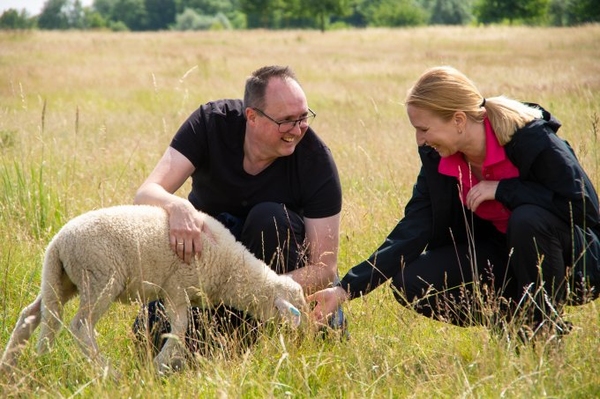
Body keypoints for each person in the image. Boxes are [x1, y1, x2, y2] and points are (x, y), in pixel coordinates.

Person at [309, 66, 600, 342]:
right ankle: (516, 320)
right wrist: (346, 289)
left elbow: (584, 208)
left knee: (526, 219)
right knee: (410, 281)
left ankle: (545, 328)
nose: (420, 140)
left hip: (570, 260)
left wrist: (503, 190)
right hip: (500, 257)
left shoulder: (531, 138)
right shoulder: (440, 160)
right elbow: (414, 228)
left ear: (459, 120)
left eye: (424, 129)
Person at [132, 65, 345, 356]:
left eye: (303, 117)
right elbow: (146, 194)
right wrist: (177, 205)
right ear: (252, 117)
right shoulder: (211, 123)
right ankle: (233, 330)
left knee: (268, 217)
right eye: (286, 121)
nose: (297, 130)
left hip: (280, 281)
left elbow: (324, 269)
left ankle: (275, 328)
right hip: (213, 270)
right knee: (151, 330)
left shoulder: (316, 161)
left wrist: (254, 288)